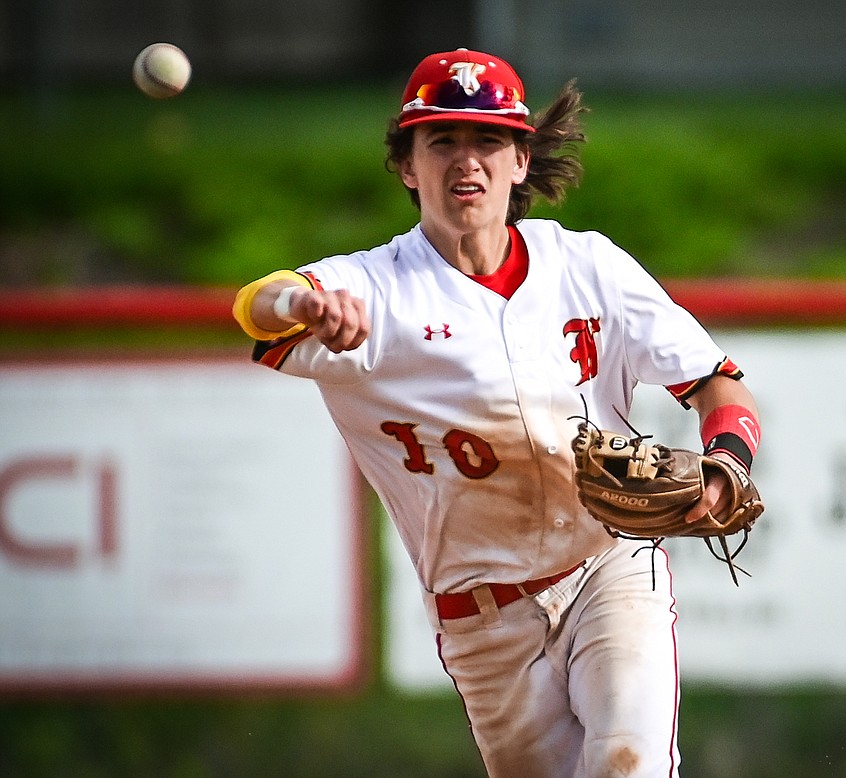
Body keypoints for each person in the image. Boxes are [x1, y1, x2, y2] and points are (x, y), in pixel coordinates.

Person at [232, 47, 762, 778]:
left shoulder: (589, 266)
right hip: (484, 623)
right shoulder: (372, 291)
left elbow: (718, 385)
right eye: (441, 139)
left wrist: (726, 465)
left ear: (521, 160)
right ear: (407, 166)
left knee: (629, 766)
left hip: (609, 567)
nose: (465, 160)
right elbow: (256, 309)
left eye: (488, 139)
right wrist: (303, 303)